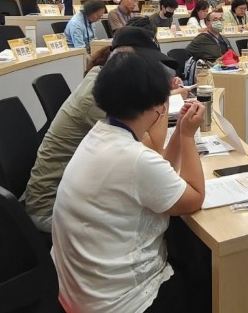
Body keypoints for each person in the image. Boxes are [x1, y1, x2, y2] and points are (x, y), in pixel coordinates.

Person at [50, 49, 211, 313]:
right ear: (155, 105)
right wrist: (189, 137)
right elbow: (194, 198)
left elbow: (159, 169)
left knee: (183, 243)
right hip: (110, 305)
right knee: (202, 276)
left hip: (74, 291)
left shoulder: (102, 133)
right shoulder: (133, 157)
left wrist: (179, 132)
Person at [26, 27, 182, 231]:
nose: (154, 71)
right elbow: (152, 149)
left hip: (82, 192)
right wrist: (162, 96)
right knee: (164, 212)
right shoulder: (99, 98)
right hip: (52, 207)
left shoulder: (104, 79)